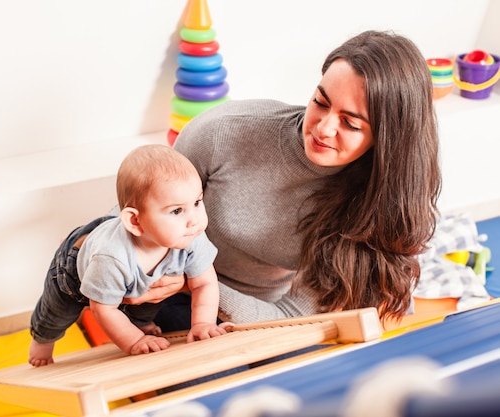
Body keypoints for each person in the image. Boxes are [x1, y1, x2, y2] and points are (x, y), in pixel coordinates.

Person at [143, 29, 442, 331]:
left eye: (350, 123)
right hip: (164, 281)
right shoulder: (223, 132)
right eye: (321, 102)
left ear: (386, 138)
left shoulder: (374, 204)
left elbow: (290, 315)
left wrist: (197, 285)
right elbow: (143, 209)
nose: (323, 129)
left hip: (258, 309)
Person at [28, 144, 229, 367]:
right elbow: (103, 309)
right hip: (73, 271)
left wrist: (202, 323)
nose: (194, 219)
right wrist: (135, 342)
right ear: (135, 221)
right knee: (57, 313)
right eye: (176, 211)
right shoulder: (111, 258)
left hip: (135, 271)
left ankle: (141, 323)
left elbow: (204, 284)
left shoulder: (190, 236)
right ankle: (41, 342)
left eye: (197, 202)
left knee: (150, 300)